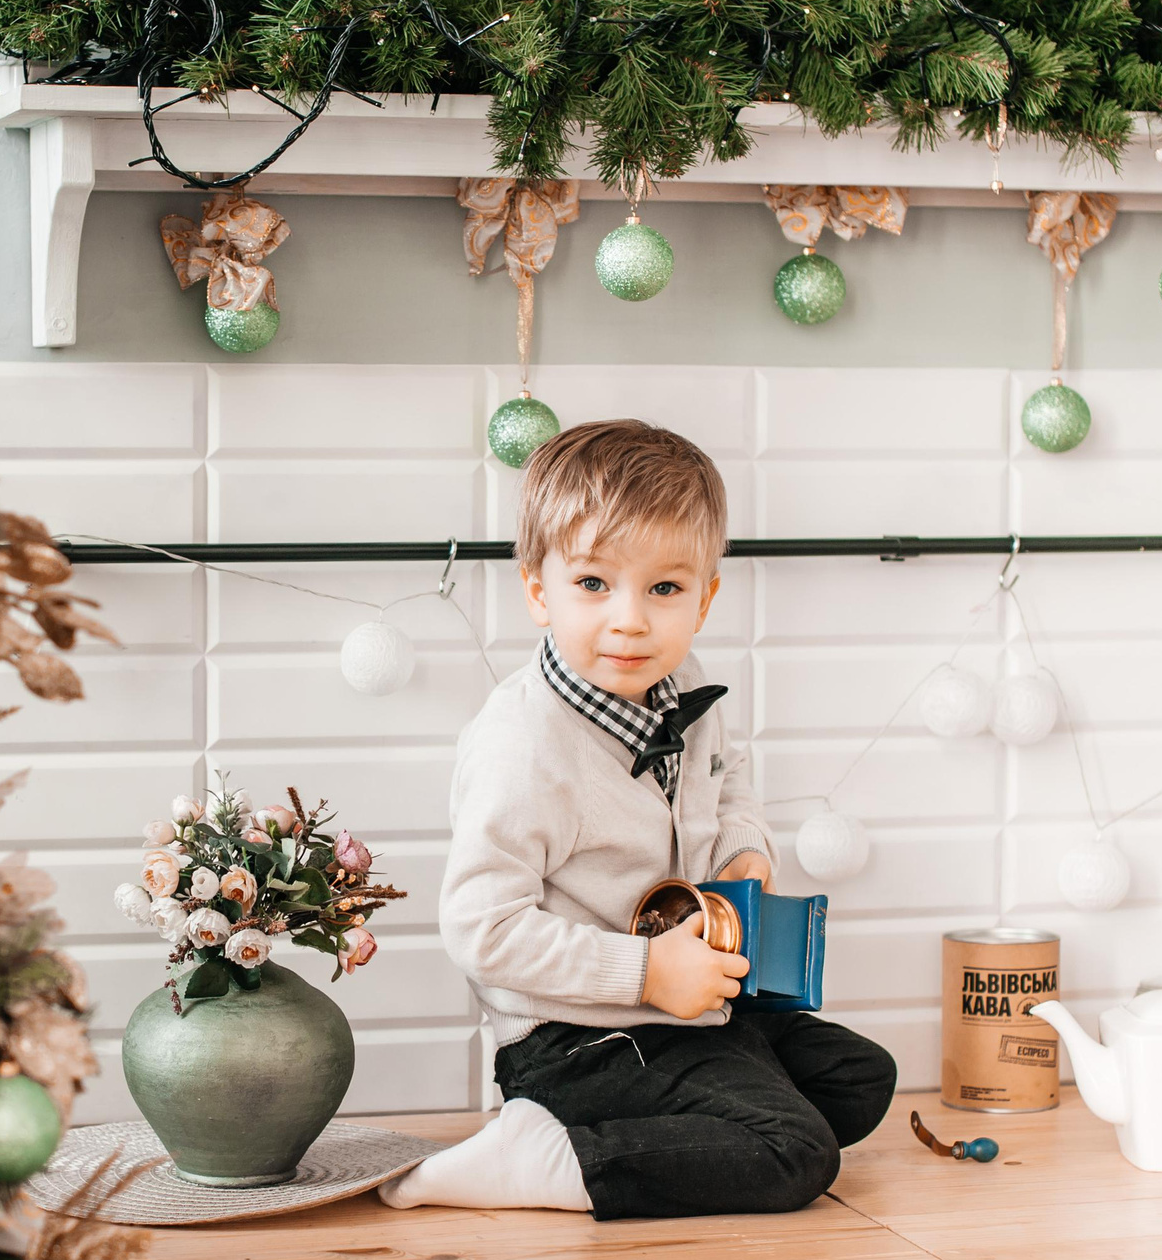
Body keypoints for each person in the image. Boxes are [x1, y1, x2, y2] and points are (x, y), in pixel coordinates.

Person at [380, 419, 895, 1219]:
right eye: (594, 584)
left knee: (862, 1081)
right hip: (575, 1036)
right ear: (538, 589)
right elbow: (481, 929)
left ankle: (694, 1115)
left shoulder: (681, 686)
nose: (630, 620)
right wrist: (646, 974)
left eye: (664, 589)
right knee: (798, 1153)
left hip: (681, 1004)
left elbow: (731, 787)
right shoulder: (525, 744)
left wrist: (746, 855)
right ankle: (552, 1154)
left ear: (705, 596)